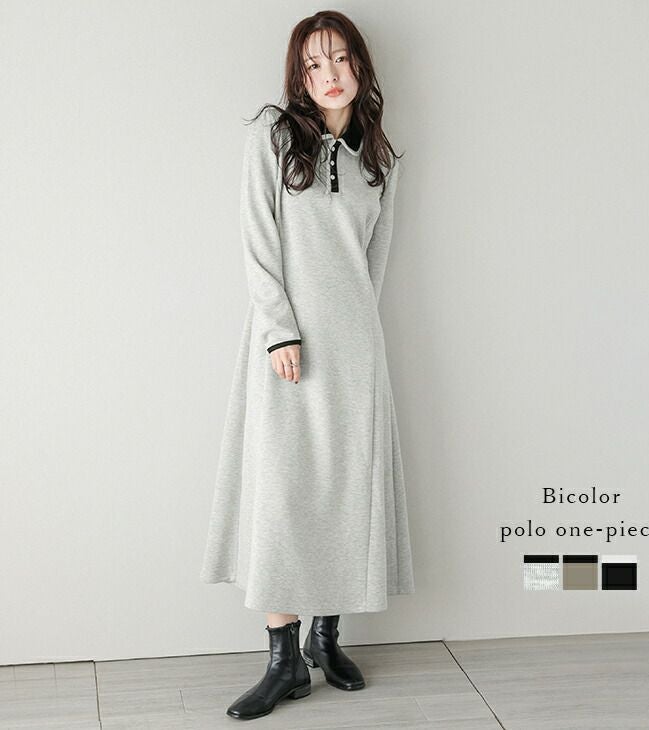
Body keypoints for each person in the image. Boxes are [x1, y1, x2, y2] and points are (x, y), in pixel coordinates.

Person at [200, 10, 415, 720]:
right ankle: (283, 659)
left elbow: (373, 267)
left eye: (341, 58)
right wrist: (279, 333)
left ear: (360, 65)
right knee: (282, 495)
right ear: (299, 74)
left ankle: (327, 638)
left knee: (345, 492)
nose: (329, 74)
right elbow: (258, 241)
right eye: (314, 63)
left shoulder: (381, 160)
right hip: (286, 347)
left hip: (356, 351)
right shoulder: (272, 136)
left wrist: (360, 343)